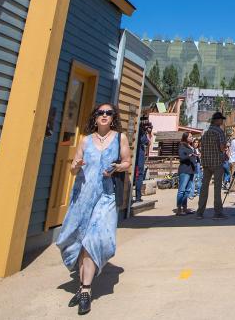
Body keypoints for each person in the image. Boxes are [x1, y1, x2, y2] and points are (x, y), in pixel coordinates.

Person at [56, 103, 131, 316]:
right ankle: (83, 287)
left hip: (105, 196)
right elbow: (72, 168)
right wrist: (76, 165)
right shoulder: (86, 140)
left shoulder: (120, 138)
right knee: (81, 240)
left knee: (96, 239)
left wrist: (117, 167)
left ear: (113, 117)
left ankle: (86, 290)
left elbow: (127, 162)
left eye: (109, 113)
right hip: (83, 196)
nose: (105, 116)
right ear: (95, 117)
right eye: (101, 113)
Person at [196, 112, 228, 219]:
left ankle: (200, 212)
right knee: (217, 188)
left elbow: (201, 147)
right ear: (216, 120)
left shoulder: (206, 132)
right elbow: (222, 147)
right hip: (217, 162)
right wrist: (224, 153)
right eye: (221, 119)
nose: (222, 121)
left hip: (206, 163)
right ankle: (217, 212)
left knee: (204, 188)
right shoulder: (219, 132)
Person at [175, 133, 197, 215]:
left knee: (188, 190)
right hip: (184, 170)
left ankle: (185, 208)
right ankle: (179, 209)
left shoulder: (191, 147)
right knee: (182, 190)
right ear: (185, 137)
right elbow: (182, 157)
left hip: (191, 170)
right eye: (190, 136)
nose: (192, 138)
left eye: (192, 136)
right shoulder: (182, 146)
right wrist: (189, 155)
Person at [133, 116, 152, 202]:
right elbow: (147, 142)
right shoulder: (141, 132)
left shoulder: (139, 131)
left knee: (137, 176)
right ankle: (138, 197)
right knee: (139, 176)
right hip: (138, 158)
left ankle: (137, 196)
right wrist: (147, 133)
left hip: (137, 157)